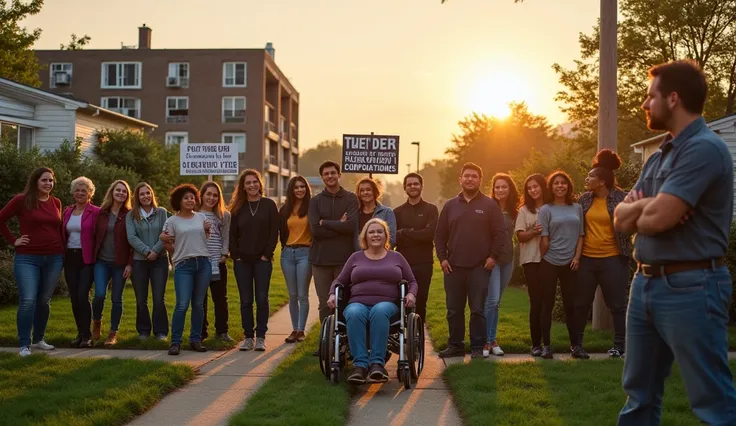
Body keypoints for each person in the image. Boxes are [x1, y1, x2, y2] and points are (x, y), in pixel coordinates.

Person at [614, 60, 736, 425]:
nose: (644, 104)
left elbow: (657, 219)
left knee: (712, 400)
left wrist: (645, 208)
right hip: (645, 284)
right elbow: (621, 219)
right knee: (639, 398)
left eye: (650, 96)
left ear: (673, 98)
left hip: (692, 287)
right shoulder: (657, 158)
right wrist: (653, 206)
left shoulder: (704, 149)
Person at [327, 218, 417, 384]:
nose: (376, 235)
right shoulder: (355, 258)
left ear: (385, 236)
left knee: (379, 310)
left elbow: (412, 281)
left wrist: (411, 294)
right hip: (358, 302)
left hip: (387, 304)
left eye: (379, 231)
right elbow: (339, 281)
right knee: (353, 312)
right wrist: (333, 293)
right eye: (371, 232)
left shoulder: (396, 257)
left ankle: (377, 364)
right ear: (365, 237)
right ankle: (360, 366)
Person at [435, 162, 507, 359]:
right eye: (466, 176)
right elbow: (440, 235)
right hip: (453, 268)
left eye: (474, 176)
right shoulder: (450, 206)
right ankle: (455, 346)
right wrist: (442, 258)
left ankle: (477, 347)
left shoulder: (489, 205)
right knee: (454, 310)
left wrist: (492, 257)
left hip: (479, 267)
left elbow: (500, 234)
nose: (469, 179)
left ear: (480, 180)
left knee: (477, 310)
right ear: (460, 179)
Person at [572, 150, 631, 360]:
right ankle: (577, 346)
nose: (586, 179)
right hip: (587, 259)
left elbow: (632, 224)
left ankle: (619, 346)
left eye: (591, 177)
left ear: (602, 181)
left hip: (613, 258)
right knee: (581, 304)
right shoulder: (584, 200)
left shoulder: (622, 198)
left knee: (617, 305)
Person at [0, 167, 64, 357]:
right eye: (44, 180)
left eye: (51, 181)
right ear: (36, 181)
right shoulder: (22, 200)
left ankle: (39, 339)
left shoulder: (56, 202)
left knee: (44, 300)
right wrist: (13, 241)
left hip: (54, 257)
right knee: (28, 300)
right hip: (27, 257)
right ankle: (24, 344)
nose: (48, 184)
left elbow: (57, 228)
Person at [308, 161, 358, 356]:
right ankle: (326, 342)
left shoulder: (350, 198)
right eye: (326, 174)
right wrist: (339, 225)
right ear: (322, 178)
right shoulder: (315, 201)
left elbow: (352, 226)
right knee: (324, 303)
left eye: (333, 173)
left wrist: (327, 223)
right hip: (320, 260)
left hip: (344, 261)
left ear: (339, 175)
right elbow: (315, 231)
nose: (330, 176)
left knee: (344, 301)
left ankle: (344, 343)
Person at [229, 169, 279, 352]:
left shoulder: (269, 205)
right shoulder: (237, 208)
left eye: (255, 182)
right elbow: (232, 234)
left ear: (260, 183)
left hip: (262, 261)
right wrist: (236, 255)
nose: (252, 185)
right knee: (246, 300)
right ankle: (248, 337)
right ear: (243, 187)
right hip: (242, 261)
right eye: (248, 183)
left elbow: (274, 232)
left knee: (262, 298)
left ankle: (261, 337)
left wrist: (267, 254)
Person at [161, 184, 212, 355]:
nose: (190, 200)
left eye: (192, 197)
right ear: (179, 201)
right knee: (182, 304)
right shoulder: (172, 221)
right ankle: (175, 342)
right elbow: (167, 244)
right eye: (186, 198)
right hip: (184, 266)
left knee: (198, 305)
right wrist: (178, 252)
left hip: (203, 263)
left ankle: (195, 340)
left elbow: (205, 237)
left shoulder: (201, 217)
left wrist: (207, 230)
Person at [538, 171, 584, 360]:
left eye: (563, 183)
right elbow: (544, 238)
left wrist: (577, 258)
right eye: (556, 183)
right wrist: (543, 258)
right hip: (549, 261)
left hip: (570, 263)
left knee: (571, 305)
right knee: (546, 305)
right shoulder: (546, 209)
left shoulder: (577, 208)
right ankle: (546, 346)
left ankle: (576, 346)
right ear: (551, 187)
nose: (559, 186)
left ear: (568, 186)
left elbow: (581, 234)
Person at [126, 182, 169, 341]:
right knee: (141, 299)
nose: (145, 196)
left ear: (152, 194)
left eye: (148, 193)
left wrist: (155, 251)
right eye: (142, 194)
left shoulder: (162, 212)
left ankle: (161, 332)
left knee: (159, 298)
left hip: (160, 260)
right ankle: (143, 331)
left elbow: (166, 233)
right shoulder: (131, 215)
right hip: (139, 261)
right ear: (137, 197)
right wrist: (146, 251)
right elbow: (131, 237)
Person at [92, 180, 133, 347]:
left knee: (117, 298)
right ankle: (96, 322)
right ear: (112, 192)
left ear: (127, 195)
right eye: (118, 190)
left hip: (120, 264)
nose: (121, 193)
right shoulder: (101, 213)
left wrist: (130, 264)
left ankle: (112, 333)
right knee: (100, 294)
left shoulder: (129, 215)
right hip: (101, 262)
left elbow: (132, 242)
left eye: (124, 191)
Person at [393, 172, 438, 322]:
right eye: (409, 184)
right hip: (402, 263)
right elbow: (394, 237)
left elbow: (429, 235)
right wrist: (417, 233)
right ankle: (402, 337)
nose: (413, 186)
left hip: (424, 263)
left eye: (416, 184)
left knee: (421, 302)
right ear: (404, 187)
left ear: (421, 186)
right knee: (401, 301)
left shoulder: (431, 209)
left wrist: (405, 232)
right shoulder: (397, 212)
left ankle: (417, 340)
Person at [483, 173, 519, 357]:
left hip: (508, 260)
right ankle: (486, 342)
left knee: (496, 303)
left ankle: (492, 339)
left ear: (510, 189)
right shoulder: (489, 208)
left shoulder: (515, 211)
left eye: (504, 187)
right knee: (492, 300)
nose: (500, 190)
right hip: (492, 260)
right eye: (497, 187)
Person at [62, 176, 100, 348]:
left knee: (82, 295)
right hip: (70, 257)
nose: (80, 193)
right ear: (73, 192)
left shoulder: (96, 212)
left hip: (88, 259)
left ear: (90, 193)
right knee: (74, 298)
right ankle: (80, 333)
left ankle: (87, 336)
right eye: (77, 190)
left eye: (83, 190)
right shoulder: (67, 211)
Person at [514, 173, 549, 357]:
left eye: (536, 186)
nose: (533, 190)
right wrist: (533, 232)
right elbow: (519, 236)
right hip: (531, 261)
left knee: (547, 303)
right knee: (536, 302)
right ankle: (536, 344)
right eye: (529, 188)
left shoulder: (552, 207)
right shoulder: (524, 211)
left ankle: (548, 343)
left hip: (551, 260)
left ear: (543, 187)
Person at [279, 176, 313, 343]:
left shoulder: (312, 207)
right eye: (296, 187)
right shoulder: (285, 210)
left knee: (302, 295)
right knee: (292, 295)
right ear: (291, 190)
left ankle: (301, 330)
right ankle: (294, 329)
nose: (300, 190)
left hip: (305, 254)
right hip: (287, 254)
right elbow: (281, 232)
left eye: (302, 187)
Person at [198, 181, 232, 342]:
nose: (211, 198)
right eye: (208, 194)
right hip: (199, 262)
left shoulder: (224, 215)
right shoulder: (194, 214)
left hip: (217, 261)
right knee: (200, 299)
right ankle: (201, 332)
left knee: (220, 298)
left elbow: (226, 236)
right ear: (202, 195)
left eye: (215, 195)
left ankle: (222, 331)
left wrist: (224, 254)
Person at [355, 177, 396, 247]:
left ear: (375, 192)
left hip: (380, 255)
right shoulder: (355, 213)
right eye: (362, 190)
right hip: (358, 255)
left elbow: (391, 239)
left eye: (368, 189)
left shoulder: (387, 212)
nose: (365, 192)